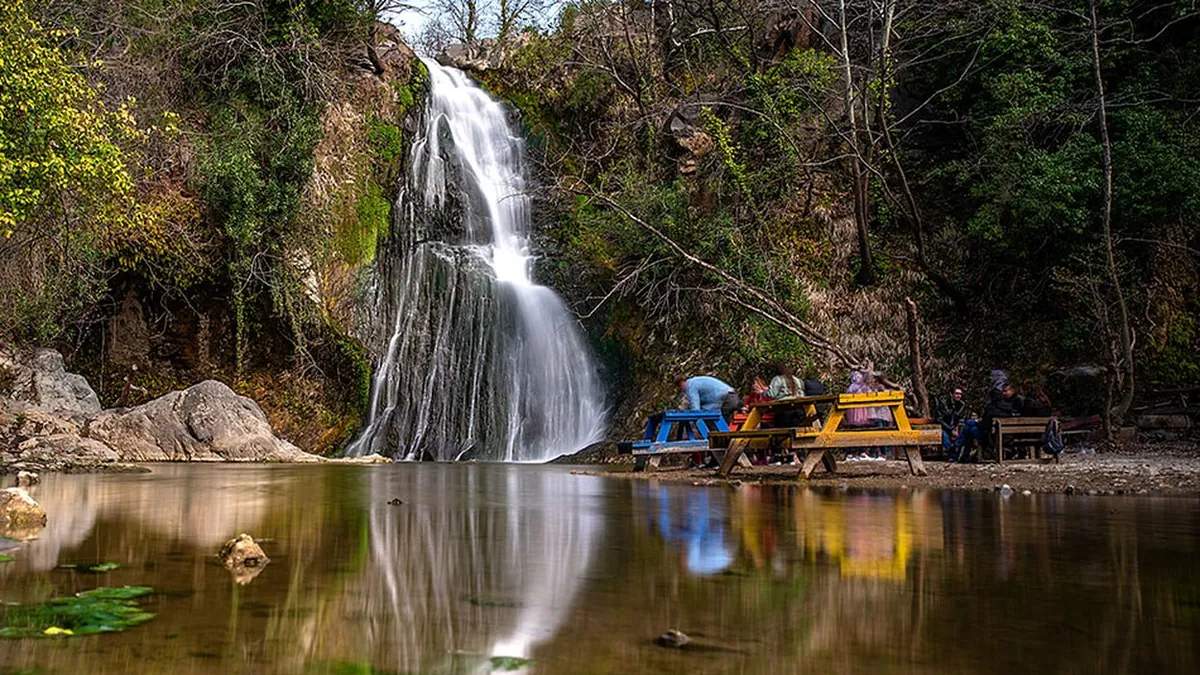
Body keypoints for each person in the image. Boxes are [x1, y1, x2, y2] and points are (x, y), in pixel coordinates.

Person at [676, 374, 741, 423]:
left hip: (728, 399)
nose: (682, 390)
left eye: (680, 388)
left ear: (681, 384)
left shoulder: (690, 386)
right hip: (731, 396)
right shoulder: (695, 382)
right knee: (711, 417)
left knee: (716, 421)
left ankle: (718, 439)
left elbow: (695, 409)